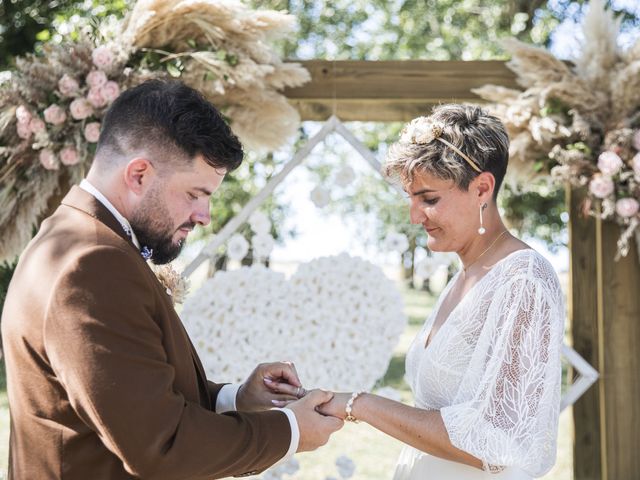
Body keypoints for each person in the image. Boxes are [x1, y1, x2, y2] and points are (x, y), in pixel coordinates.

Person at [1, 80, 342, 479]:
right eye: (195, 194)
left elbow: (131, 397)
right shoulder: (93, 264)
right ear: (139, 174)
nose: (204, 216)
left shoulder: (73, 238)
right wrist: (292, 430)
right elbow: (160, 446)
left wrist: (238, 399)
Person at [315, 104, 564, 479]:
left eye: (429, 199)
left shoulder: (523, 279)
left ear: (482, 188)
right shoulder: (464, 275)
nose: (415, 216)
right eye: (411, 198)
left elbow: (497, 441)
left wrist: (358, 404)